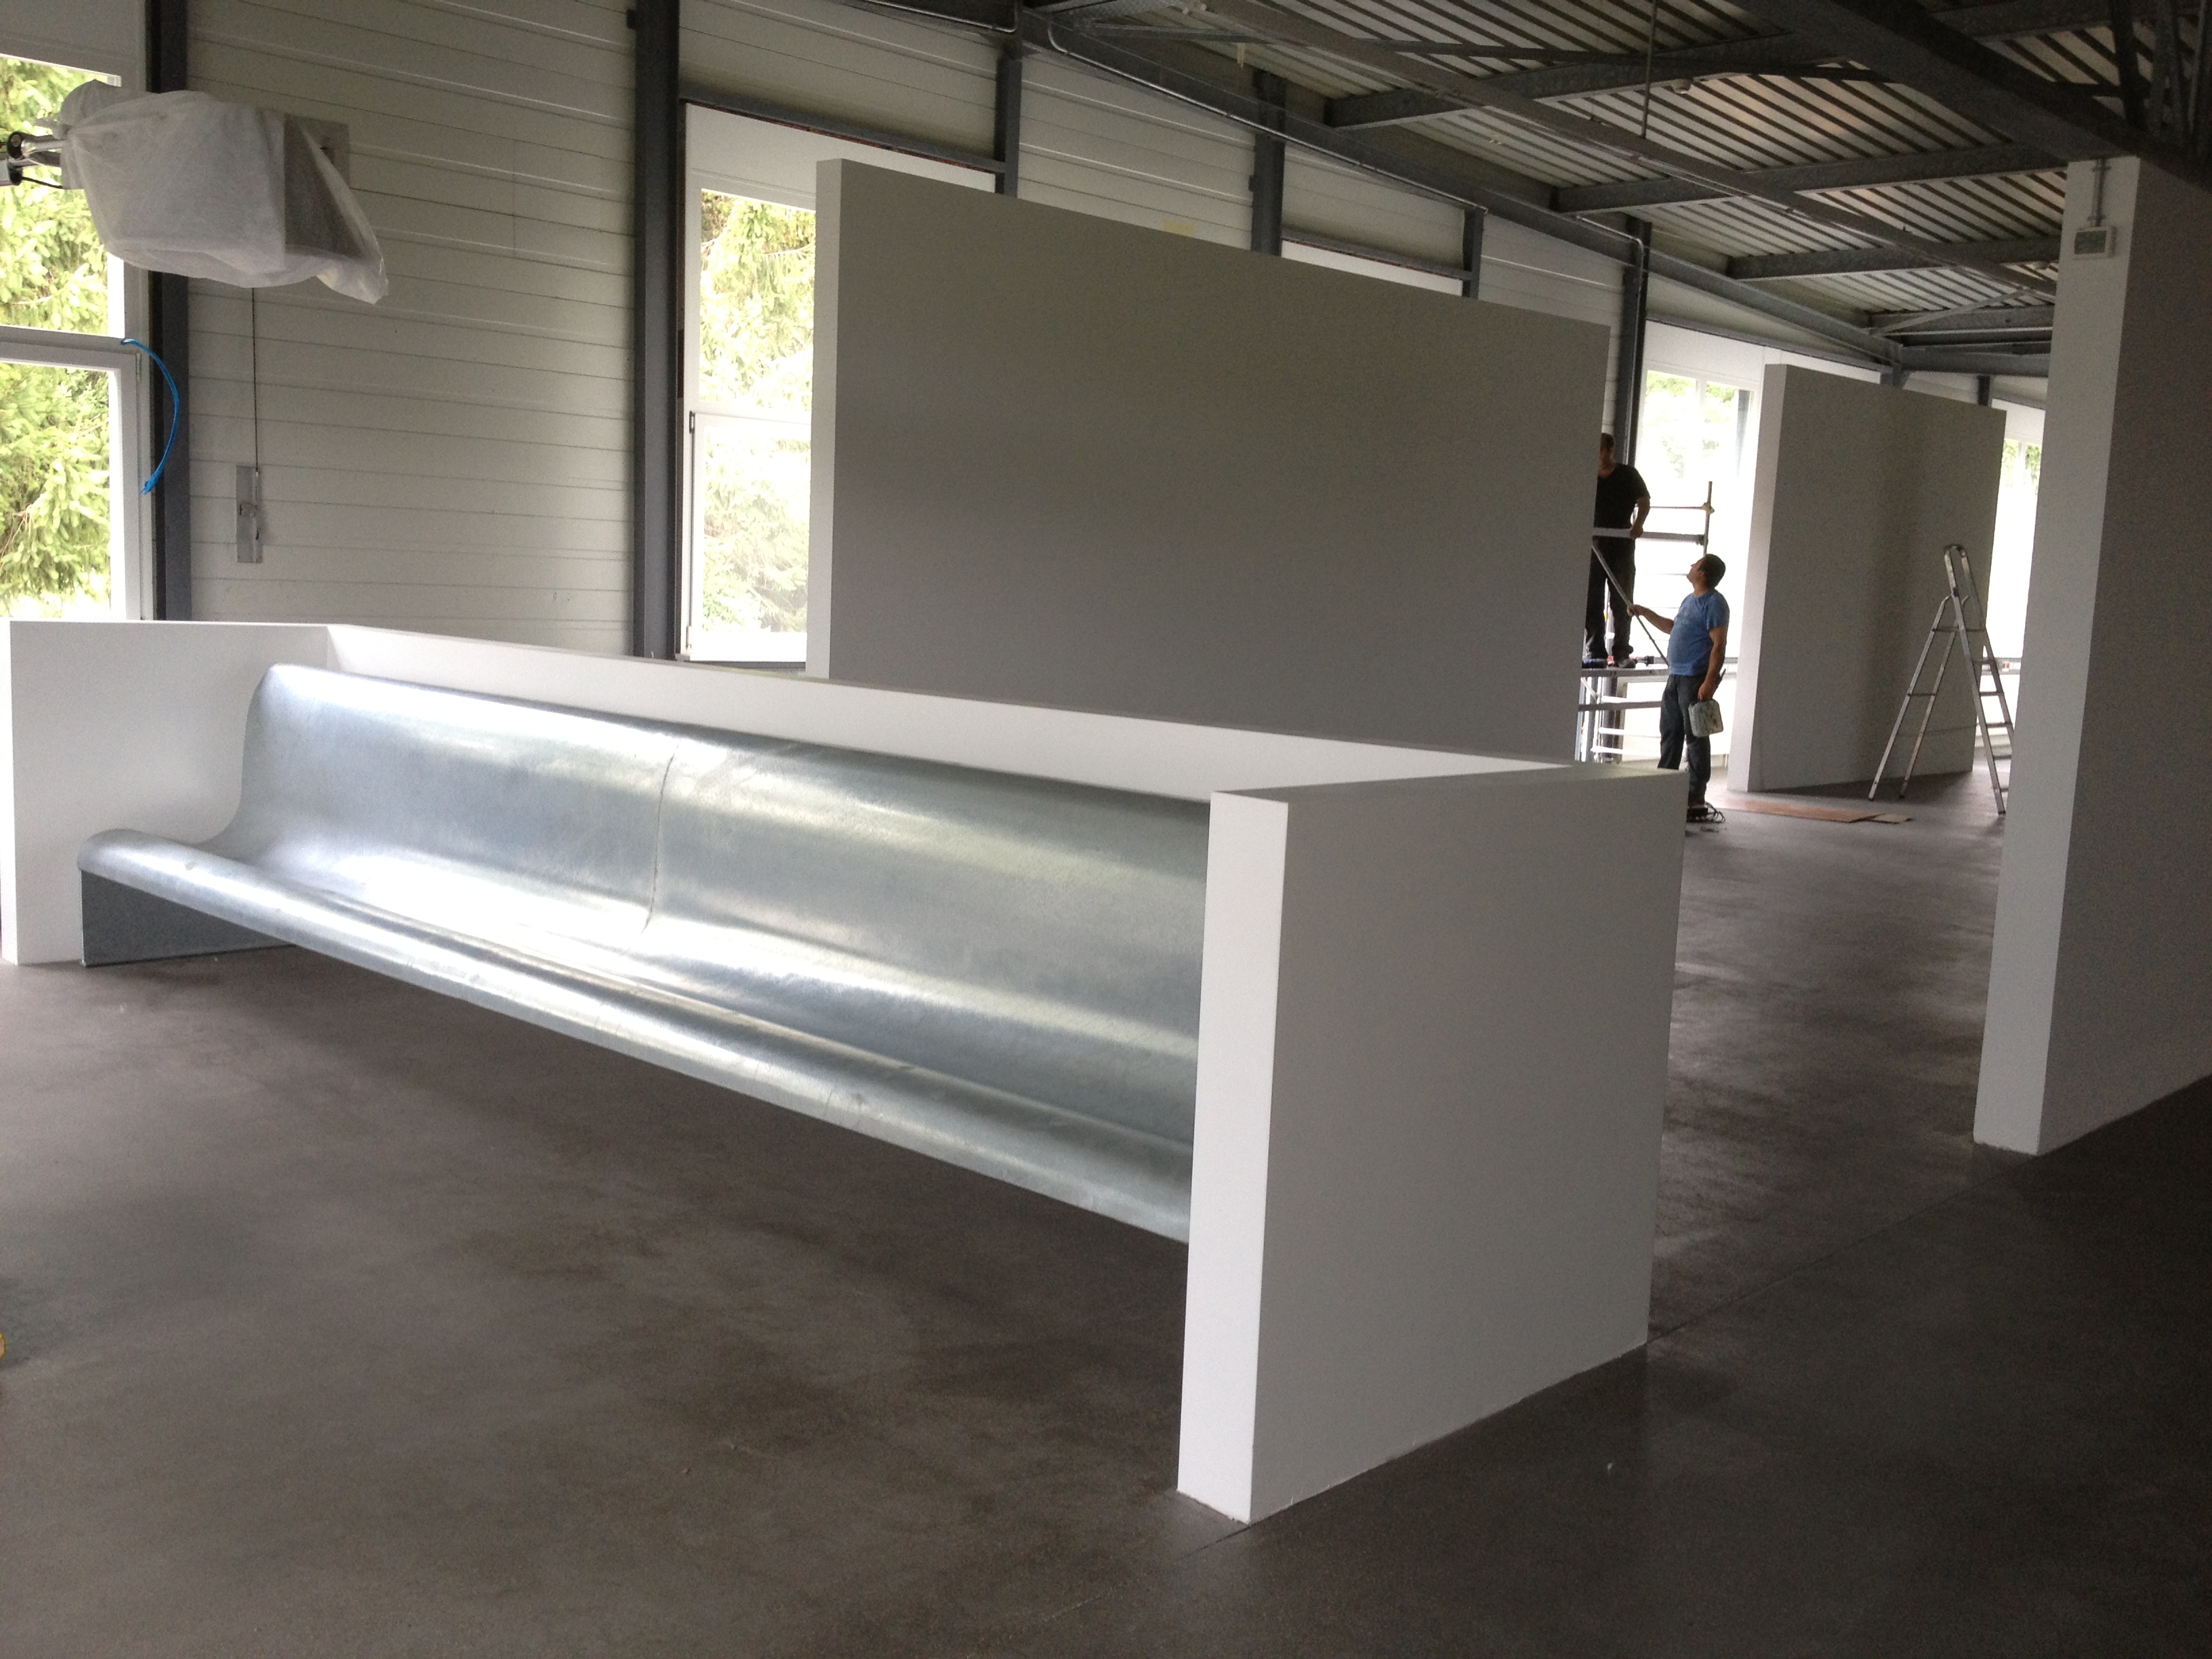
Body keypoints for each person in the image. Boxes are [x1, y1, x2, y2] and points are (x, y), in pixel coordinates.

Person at [1633, 553, 1729, 825]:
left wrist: (1709, 681)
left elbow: (1719, 644)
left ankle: (1695, 796)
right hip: (1676, 676)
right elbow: (1673, 628)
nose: (1691, 566)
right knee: (1671, 732)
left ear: (1703, 573)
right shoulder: (1689, 600)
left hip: (1694, 678)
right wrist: (1644, 612)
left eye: (1696, 564)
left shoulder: (1714, 603)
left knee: (1695, 736)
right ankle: (1665, 785)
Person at [1589, 432, 1651, 668]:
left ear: (1610, 450)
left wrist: (1638, 524)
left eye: (1600, 451)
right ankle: (1596, 651)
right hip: (1593, 545)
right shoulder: (1588, 475)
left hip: (1621, 545)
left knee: (1622, 600)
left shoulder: (1627, 475)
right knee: (1592, 599)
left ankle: (1622, 652)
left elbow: (1644, 501)